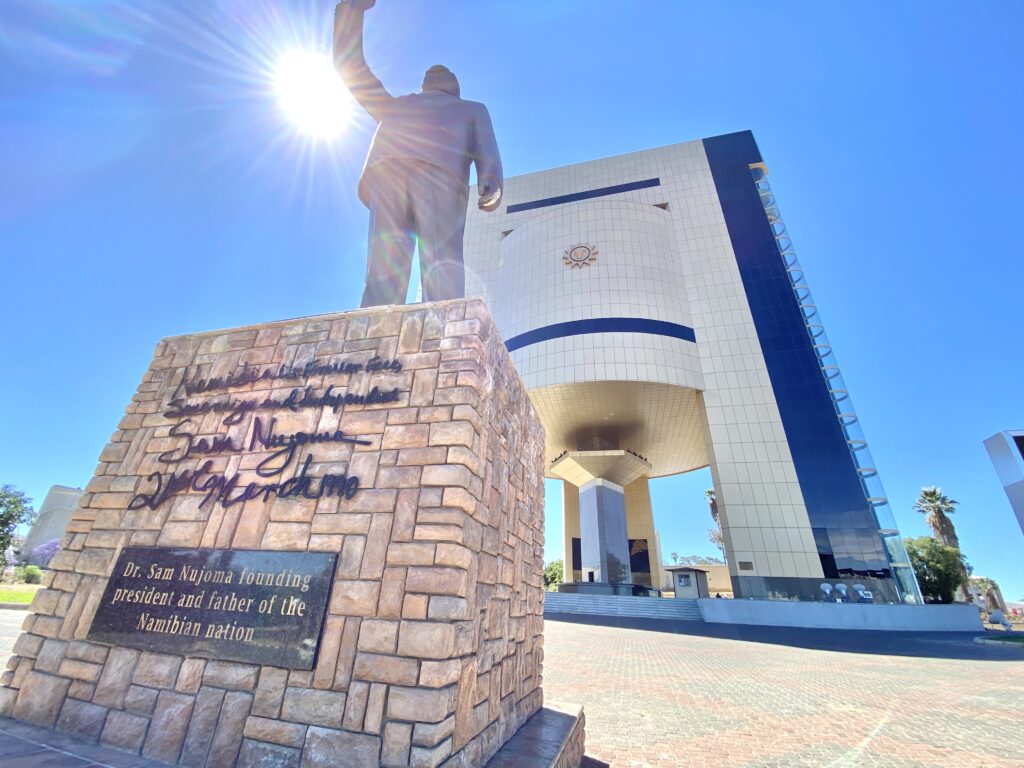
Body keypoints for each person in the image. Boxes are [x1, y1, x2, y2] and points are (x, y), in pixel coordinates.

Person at [333, 0, 503, 308]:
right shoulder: (399, 106)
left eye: (442, 73)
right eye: (431, 73)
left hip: (414, 175)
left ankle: (429, 323)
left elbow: (486, 147)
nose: (434, 72)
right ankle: (388, 325)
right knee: (407, 264)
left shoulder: (468, 109)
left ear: (455, 88)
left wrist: (490, 179)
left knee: (425, 263)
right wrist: (350, 8)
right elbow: (351, 68)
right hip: (407, 175)